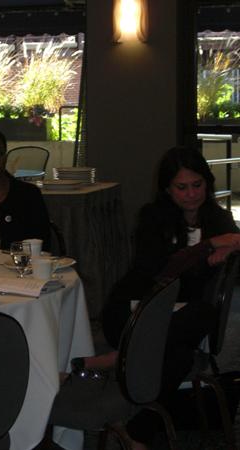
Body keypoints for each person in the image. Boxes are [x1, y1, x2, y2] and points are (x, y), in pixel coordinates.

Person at [85, 146, 240, 449]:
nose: (191, 194)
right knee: (184, 344)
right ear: (167, 189)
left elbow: (222, 265)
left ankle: (134, 424)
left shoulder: (218, 219)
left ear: (207, 183)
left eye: (197, 185)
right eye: (181, 187)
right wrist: (209, 247)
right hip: (134, 309)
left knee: (194, 330)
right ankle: (124, 358)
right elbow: (162, 272)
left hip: (180, 319)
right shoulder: (153, 218)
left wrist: (224, 250)